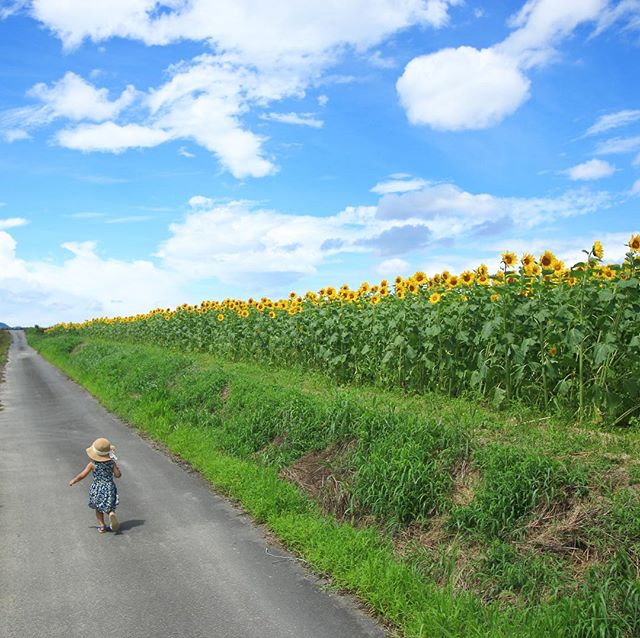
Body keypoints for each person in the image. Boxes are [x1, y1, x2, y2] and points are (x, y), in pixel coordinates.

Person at [69, 437, 122, 533]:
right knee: (109, 505)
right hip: (110, 487)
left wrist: (74, 480)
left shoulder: (92, 464)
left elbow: (82, 475)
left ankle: (102, 526)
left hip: (97, 488)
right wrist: (118, 469)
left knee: (98, 508)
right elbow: (118, 475)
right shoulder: (111, 463)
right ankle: (111, 513)